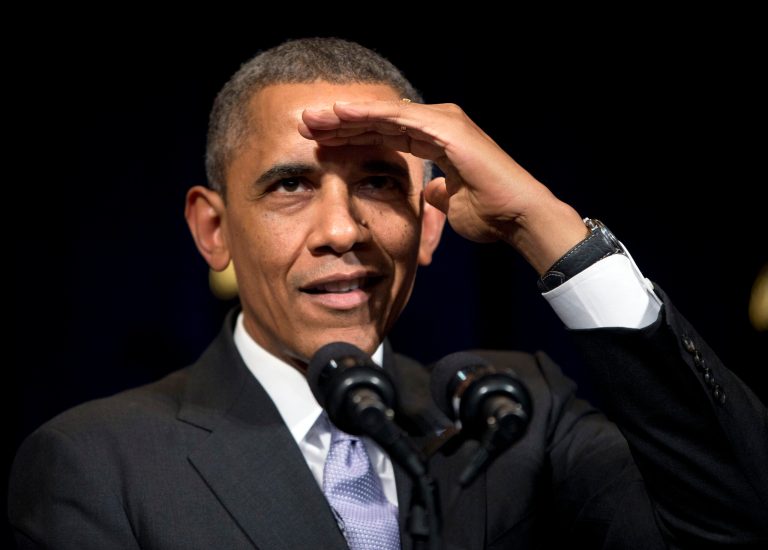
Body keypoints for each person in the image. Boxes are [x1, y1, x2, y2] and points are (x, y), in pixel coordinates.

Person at [8, 37, 767, 549]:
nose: (342, 229)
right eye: (291, 186)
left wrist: (547, 226)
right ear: (215, 231)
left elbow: (734, 516)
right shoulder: (97, 461)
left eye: (376, 181)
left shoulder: (514, 412)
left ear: (428, 223)